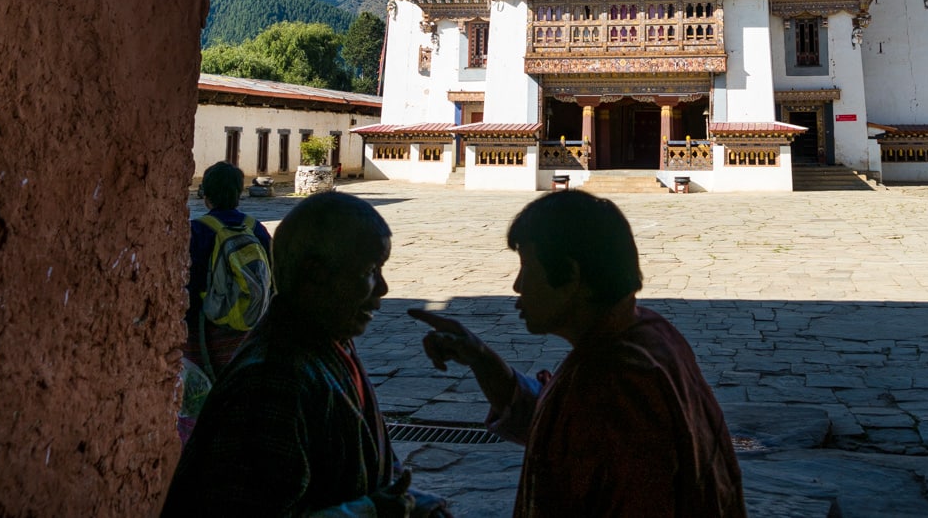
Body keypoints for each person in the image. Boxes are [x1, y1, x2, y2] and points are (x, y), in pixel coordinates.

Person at [409, 189, 746, 518]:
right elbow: (559, 426)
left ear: (570, 275)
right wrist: (481, 358)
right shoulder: (648, 333)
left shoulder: (616, 382)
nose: (517, 286)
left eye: (527, 268)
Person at [163, 191, 450, 516]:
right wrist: (369, 511)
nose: (383, 288)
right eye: (370, 270)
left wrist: (412, 502)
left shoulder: (330, 341)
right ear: (316, 274)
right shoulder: (273, 382)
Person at [186, 162, 273, 378]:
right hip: (248, 329)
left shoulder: (196, 231)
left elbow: (188, 280)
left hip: (205, 328)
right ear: (239, 192)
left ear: (206, 195)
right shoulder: (255, 228)